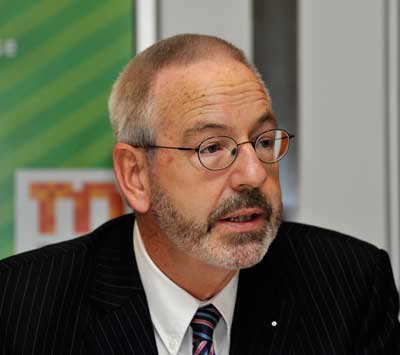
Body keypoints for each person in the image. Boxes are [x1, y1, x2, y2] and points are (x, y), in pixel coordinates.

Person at [0, 34, 399, 355]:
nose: (253, 174)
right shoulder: (20, 309)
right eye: (211, 148)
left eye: (263, 141)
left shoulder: (349, 287)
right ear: (136, 176)